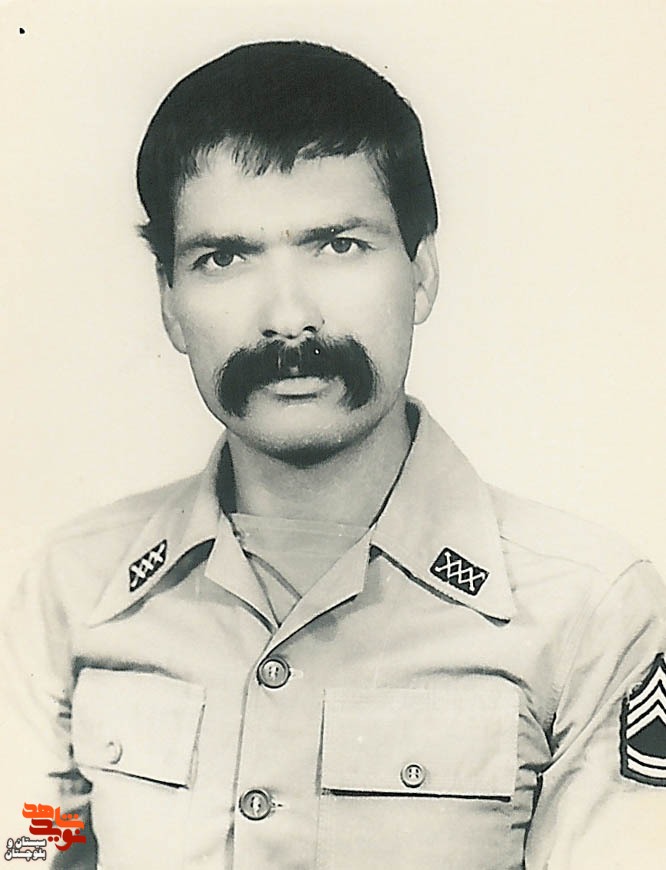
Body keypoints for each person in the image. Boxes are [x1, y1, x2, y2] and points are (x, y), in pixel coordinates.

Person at [2, 40, 665, 869]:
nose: (287, 317)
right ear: (169, 302)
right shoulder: (74, 590)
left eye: (338, 245)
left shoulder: (588, 611)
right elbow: (31, 850)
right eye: (223, 258)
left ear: (422, 272)